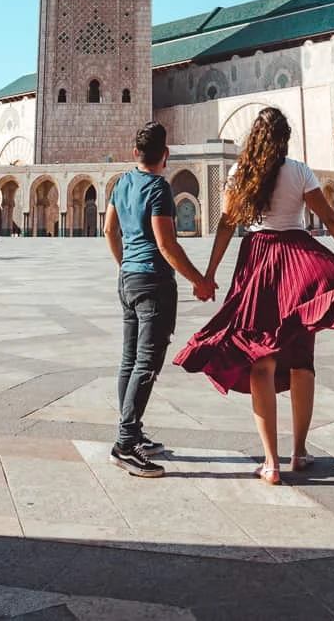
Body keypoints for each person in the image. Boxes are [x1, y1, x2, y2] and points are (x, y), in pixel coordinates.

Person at [175, 107, 334, 485]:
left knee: (261, 361)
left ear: (253, 138)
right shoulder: (299, 170)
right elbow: (332, 220)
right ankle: (299, 451)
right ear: (284, 138)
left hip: (256, 262)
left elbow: (226, 225)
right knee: (302, 361)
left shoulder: (240, 173)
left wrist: (208, 274)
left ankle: (270, 462)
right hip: (298, 264)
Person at [104, 121, 214, 478]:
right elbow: (166, 244)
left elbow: (109, 229)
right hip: (153, 283)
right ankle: (125, 443)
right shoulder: (158, 188)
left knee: (130, 360)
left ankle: (131, 433)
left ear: (135, 153)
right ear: (165, 155)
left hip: (128, 280)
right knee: (146, 363)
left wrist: (125, 264)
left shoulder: (121, 183)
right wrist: (199, 281)